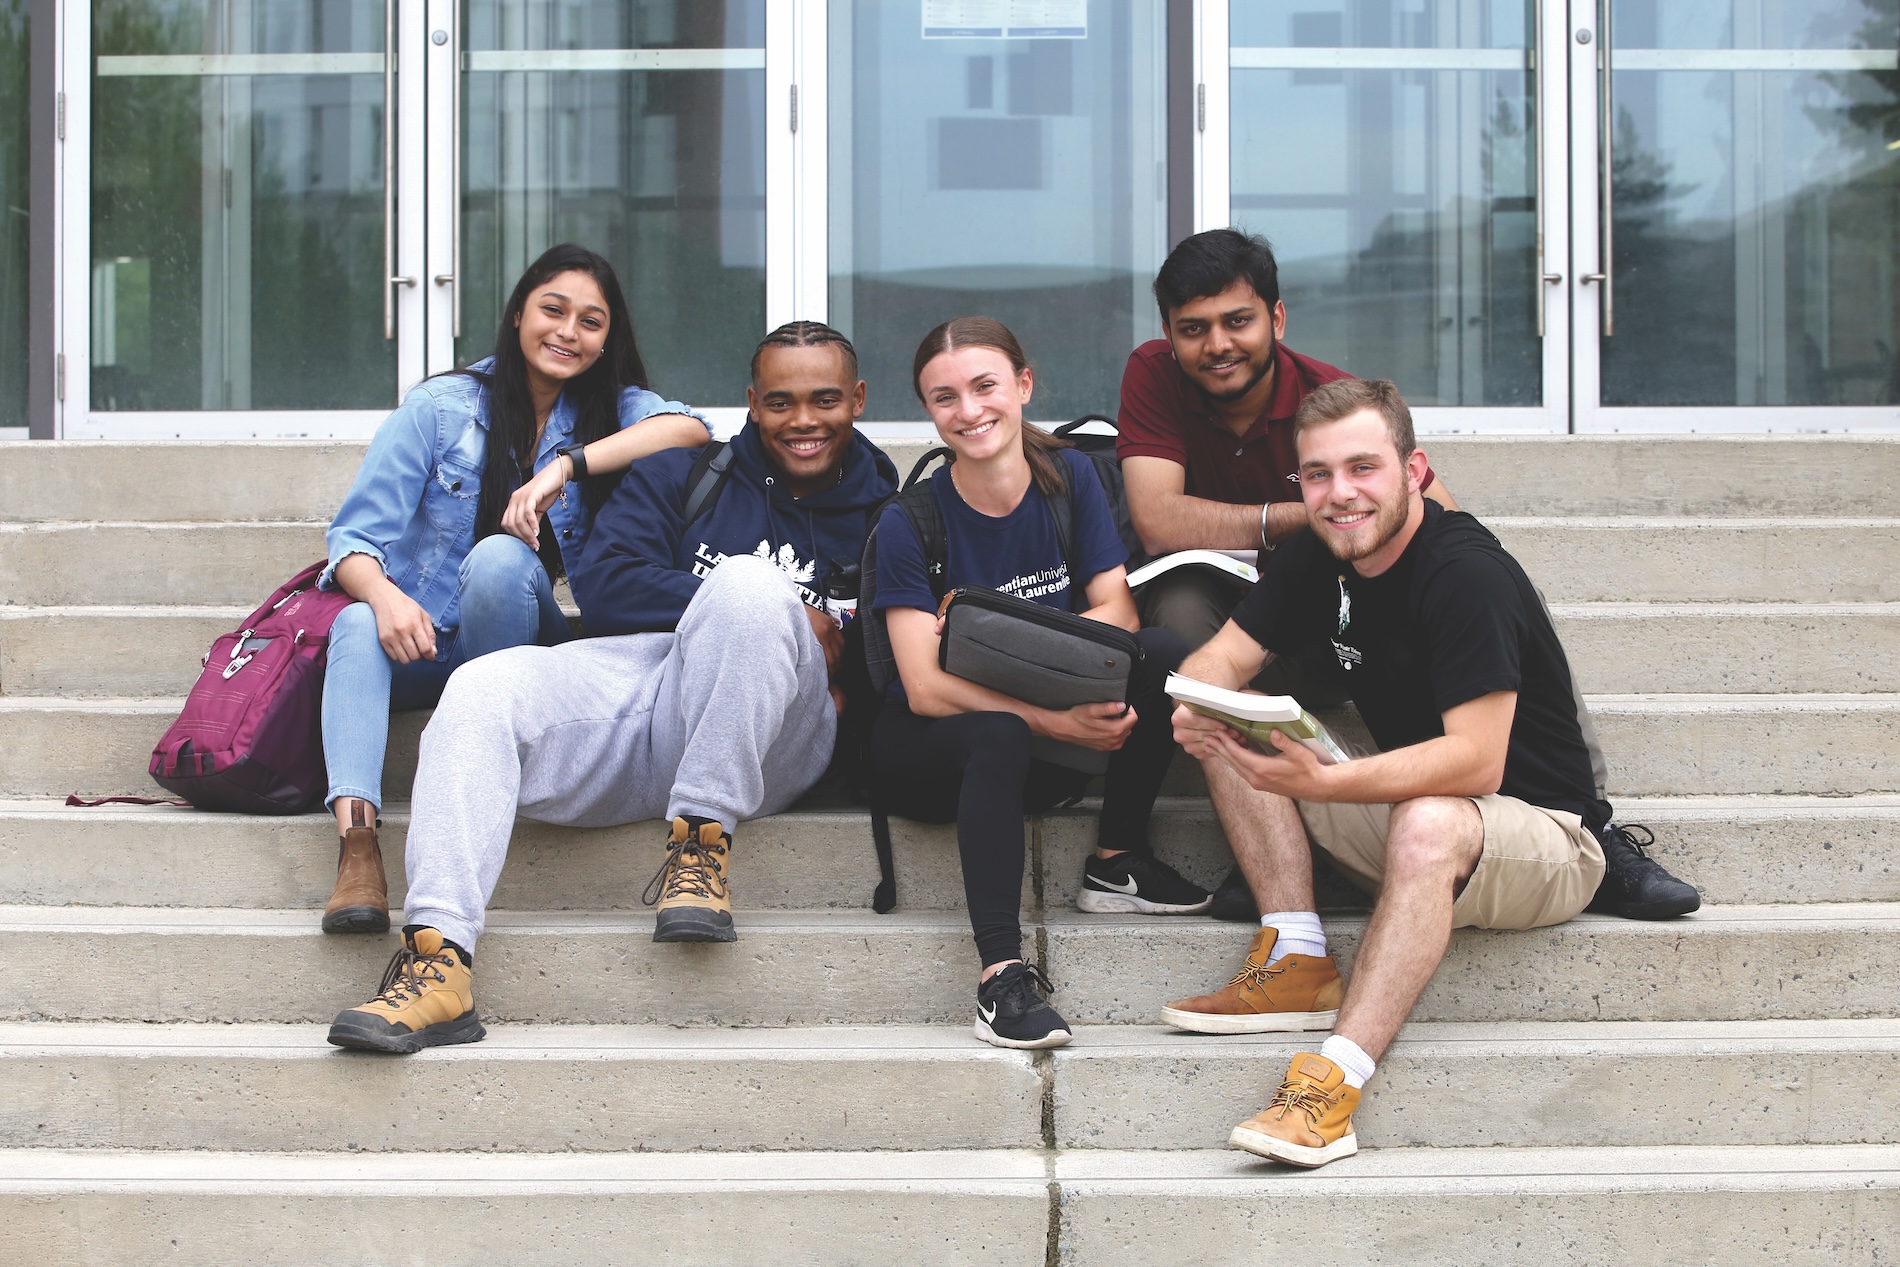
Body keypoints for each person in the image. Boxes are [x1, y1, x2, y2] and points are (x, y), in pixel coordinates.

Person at [1163, 378, 1692, 1169]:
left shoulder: (1465, 571)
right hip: (1424, 811)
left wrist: (1327, 785)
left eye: (1363, 468)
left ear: (1414, 471)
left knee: (1431, 815)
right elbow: (1225, 656)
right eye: (1317, 474)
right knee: (1237, 713)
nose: (1340, 494)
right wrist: (1197, 701)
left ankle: (1328, 1090)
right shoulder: (1323, 546)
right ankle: (1298, 956)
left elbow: (1475, 758)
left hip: (1542, 835)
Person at [326, 321, 896, 1054]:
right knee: (479, 687)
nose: (805, 421)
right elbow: (607, 587)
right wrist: (795, 609)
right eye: (781, 402)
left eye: (824, 400)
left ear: (857, 399)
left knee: (752, 589)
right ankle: (439, 962)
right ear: (753, 403)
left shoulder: (891, 513)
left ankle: (701, 843)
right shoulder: (686, 474)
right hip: (651, 686)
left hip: (776, 734)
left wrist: (784, 622)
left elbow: (889, 651)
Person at [1118, 228, 1689, 922]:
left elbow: (1446, 526)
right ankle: (1272, 852)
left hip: (1334, 620)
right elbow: (1157, 517)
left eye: (1238, 320)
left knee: (1505, 589)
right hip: (1256, 603)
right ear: (1169, 335)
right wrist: (1305, 517)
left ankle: (1591, 821)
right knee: (1185, 623)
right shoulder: (1152, 373)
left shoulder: (1332, 401)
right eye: (1193, 329)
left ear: (1277, 317)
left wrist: (1352, 515)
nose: (1218, 345)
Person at [318, 244, 710, 936]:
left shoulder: (612, 408)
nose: (568, 332)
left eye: (591, 321)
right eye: (552, 310)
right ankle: (358, 849)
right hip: (428, 641)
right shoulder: (441, 408)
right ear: (519, 313)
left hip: (528, 652)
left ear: (607, 337)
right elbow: (352, 542)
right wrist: (385, 598)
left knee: (501, 559)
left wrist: (566, 466)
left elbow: (691, 430)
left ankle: (497, 743)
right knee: (352, 624)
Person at [868, 316, 1205, 1052]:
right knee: (1000, 730)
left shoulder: (1071, 477)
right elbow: (924, 688)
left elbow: (1116, 610)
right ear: (929, 411)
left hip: (1045, 721)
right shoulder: (908, 521)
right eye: (945, 396)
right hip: (932, 748)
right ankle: (1000, 978)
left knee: (1163, 647)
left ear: (1022, 385)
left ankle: (1116, 862)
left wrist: (1039, 673)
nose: (969, 410)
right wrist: (1057, 718)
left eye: (985, 385)